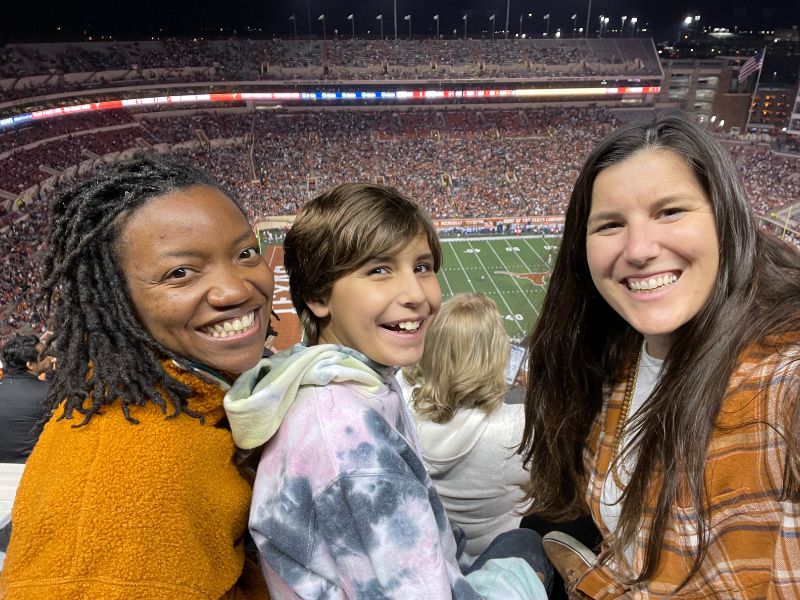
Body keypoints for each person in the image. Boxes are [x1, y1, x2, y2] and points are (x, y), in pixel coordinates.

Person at [224, 183, 551, 599]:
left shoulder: (340, 378)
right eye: (379, 269)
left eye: (422, 266)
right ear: (318, 295)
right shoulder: (351, 445)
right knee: (530, 543)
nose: (416, 294)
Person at [520, 116, 800, 597]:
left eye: (670, 211)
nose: (639, 249)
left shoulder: (780, 376)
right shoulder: (610, 356)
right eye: (610, 224)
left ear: (725, 218)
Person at [0, 155, 274, 599]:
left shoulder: (172, 396)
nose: (237, 289)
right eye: (180, 273)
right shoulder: (125, 483)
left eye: (245, 253)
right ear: (115, 300)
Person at [400, 293, 530, 557]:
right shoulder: (517, 427)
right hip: (496, 551)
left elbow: (415, 378)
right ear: (496, 357)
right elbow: (552, 488)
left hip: (436, 543)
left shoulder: (398, 400)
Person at [0, 334, 48, 463]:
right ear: (31, 365)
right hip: (33, 472)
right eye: (43, 356)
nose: (49, 358)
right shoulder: (49, 393)